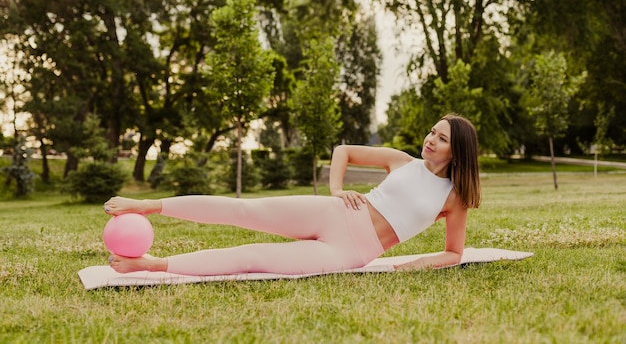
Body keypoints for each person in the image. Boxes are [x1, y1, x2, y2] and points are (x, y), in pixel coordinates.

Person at [104, 113, 481, 275]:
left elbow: (454, 253)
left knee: (250, 258)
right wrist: (337, 189)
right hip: (337, 213)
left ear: (457, 150)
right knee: (244, 211)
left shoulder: (453, 199)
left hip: (350, 253)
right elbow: (343, 151)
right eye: (432, 132)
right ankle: (149, 205)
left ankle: (154, 266)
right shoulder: (401, 160)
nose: (430, 140)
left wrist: (410, 265)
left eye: (441, 138)